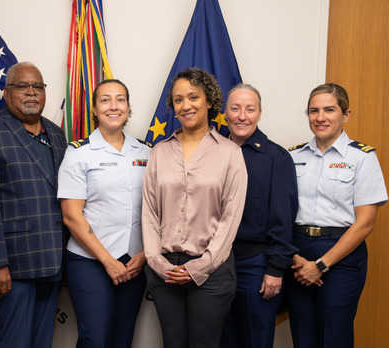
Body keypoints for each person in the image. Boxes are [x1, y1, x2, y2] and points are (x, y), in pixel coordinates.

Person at [142, 67, 248, 348]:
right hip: (164, 269)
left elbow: (231, 217)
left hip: (212, 270)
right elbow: (150, 213)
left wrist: (201, 266)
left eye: (193, 97)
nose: (186, 105)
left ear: (209, 101)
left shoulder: (230, 153)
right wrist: (156, 262)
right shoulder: (159, 151)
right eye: (178, 100)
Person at [0, 61, 67, 348]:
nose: (31, 92)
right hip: (13, 266)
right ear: (7, 92)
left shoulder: (56, 134)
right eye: (22, 86)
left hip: (52, 261)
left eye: (37, 86)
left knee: (41, 342)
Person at [286, 83, 387, 348]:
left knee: (334, 336)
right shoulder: (292, 156)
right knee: (302, 335)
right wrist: (296, 258)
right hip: (297, 253)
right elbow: (280, 213)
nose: (320, 117)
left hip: (341, 255)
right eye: (313, 111)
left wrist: (319, 265)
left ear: (346, 114)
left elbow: (365, 223)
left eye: (329, 110)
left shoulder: (362, 158)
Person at [58, 79, 151, 348]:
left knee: (123, 340)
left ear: (128, 107)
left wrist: (145, 254)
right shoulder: (79, 153)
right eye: (105, 100)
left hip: (134, 262)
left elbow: (157, 211)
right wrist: (108, 261)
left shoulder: (147, 151)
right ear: (95, 109)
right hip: (91, 262)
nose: (114, 106)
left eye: (120, 99)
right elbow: (71, 216)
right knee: (95, 340)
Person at [219, 84, 298, 348]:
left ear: (260, 114)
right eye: (235, 108)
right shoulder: (211, 152)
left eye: (250, 109)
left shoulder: (276, 157)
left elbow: (283, 218)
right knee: (220, 340)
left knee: (255, 340)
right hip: (214, 264)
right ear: (224, 113)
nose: (242, 116)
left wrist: (275, 269)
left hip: (256, 265)